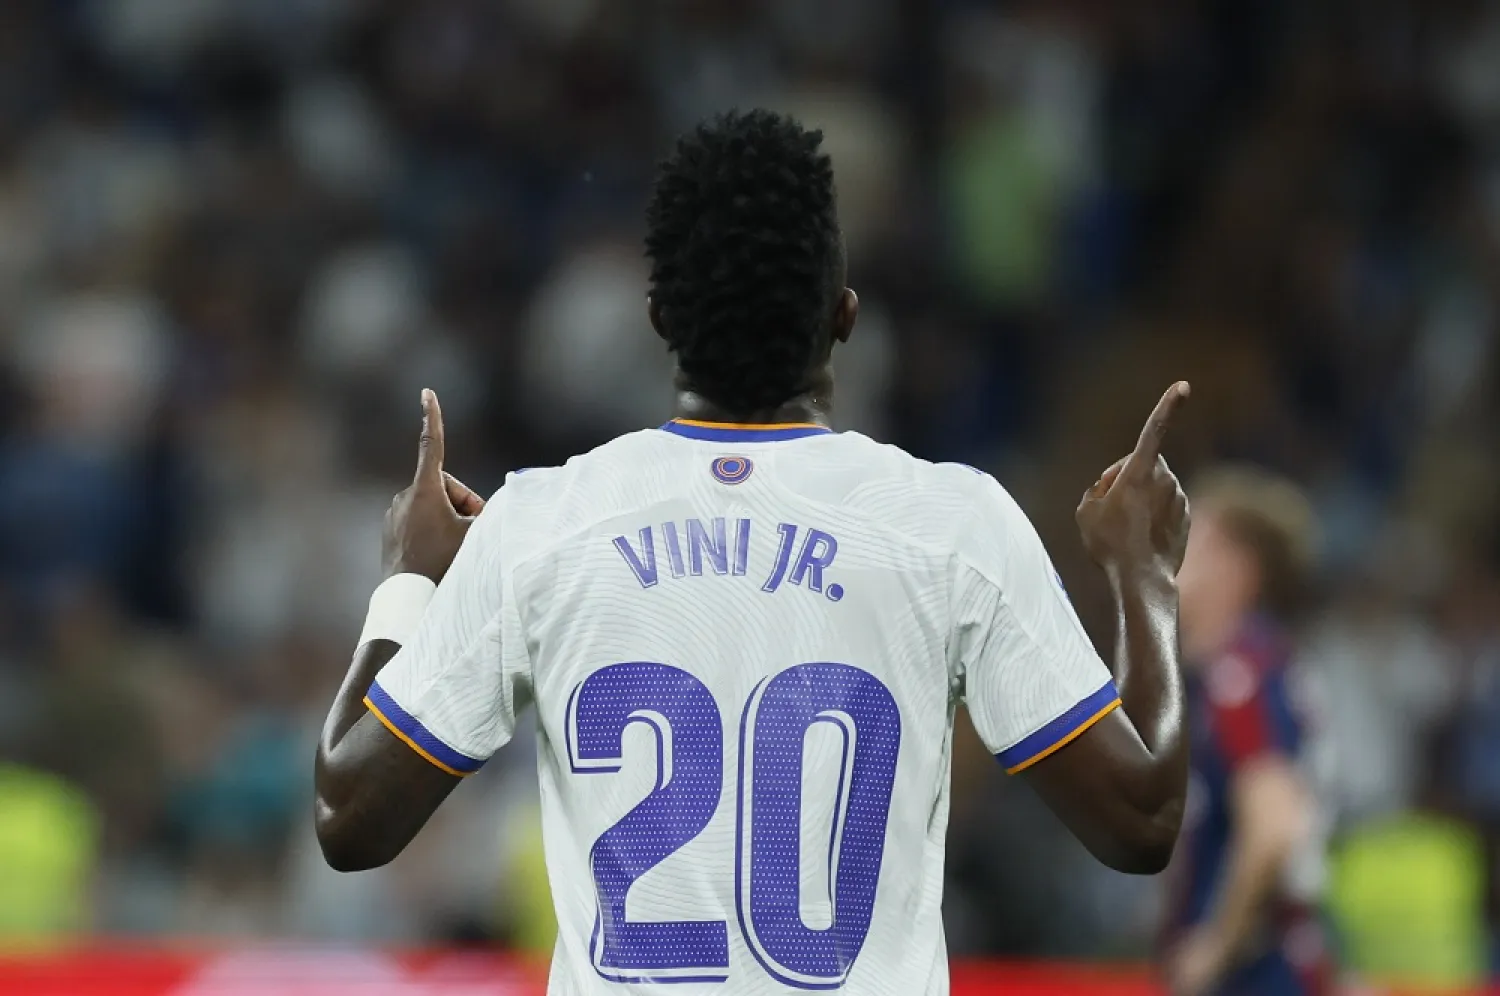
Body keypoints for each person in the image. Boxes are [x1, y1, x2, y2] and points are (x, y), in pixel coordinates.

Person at [314, 109, 1193, 995]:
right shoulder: (952, 524)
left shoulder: (542, 523)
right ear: (845, 317)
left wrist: (409, 583)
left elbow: (348, 818)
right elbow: (1141, 816)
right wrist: (1143, 575)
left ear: (660, 318)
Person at [1163, 466, 1332, 996]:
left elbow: (1273, 825)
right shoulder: (1248, 666)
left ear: (1236, 567)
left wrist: (1214, 947)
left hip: (1262, 975)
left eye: (1188, 545)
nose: (1170, 564)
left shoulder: (1242, 674)